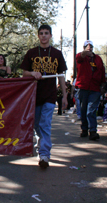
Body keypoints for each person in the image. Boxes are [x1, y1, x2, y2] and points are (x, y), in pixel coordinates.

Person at [20, 25, 67, 168]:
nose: (44, 36)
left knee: (45, 124)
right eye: (41, 33)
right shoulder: (32, 53)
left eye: (46, 33)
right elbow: (24, 73)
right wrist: (33, 73)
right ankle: (41, 145)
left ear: (51, 36)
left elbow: (61, 76)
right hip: (33, 96)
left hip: (50, 96)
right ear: (38, 36)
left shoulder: (57, 54)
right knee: (36, 125)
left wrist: (64, 96)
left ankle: (44, 154)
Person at [75, 40, 105, 140]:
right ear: (83, 48)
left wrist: (103, 85)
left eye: (91, 46)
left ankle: (93, 131)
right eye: (87, 46)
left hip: (95, 88)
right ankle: (84, 129)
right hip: (83, 87)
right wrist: (85, 52)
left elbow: (102, 72)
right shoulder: (80, 57)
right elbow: (79, 57)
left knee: (90, 110)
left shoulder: (98, 59)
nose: (89, 47)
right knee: (83, 110)